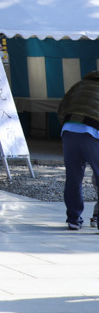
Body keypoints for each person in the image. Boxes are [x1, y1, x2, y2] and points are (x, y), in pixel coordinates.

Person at [57, 71, 99, 230]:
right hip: (93, 132)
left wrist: (67, 128)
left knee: (73, 177)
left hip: (69, 130)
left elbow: (62, 108)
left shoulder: (80, 85)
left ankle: (73, 219)